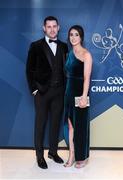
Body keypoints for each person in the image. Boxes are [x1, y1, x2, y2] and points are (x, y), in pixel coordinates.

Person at [26, 16, 68, 169]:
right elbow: (29, 70)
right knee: (40, 124)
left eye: (54, 26)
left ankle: (53, 152)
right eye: (48, 26)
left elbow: (66, 69)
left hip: (59, 92)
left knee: (55, 123)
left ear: (59, 27)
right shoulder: (35, 46)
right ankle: (39, 156)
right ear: (44, 28)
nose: (52, 29)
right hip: (42, 92)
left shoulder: (64, 46)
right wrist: (34, 90)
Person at [63, 25, 92, 168]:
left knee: (81, 126)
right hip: (69, 93)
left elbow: (87, 78)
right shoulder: (69, 54)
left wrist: (83, 97)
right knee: (70, 126)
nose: (73, 38)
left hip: (81, 93)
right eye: (71, 35)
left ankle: (82, 157)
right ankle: (72, 155)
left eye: (76, 35)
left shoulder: (86, 54)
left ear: (81, 37)